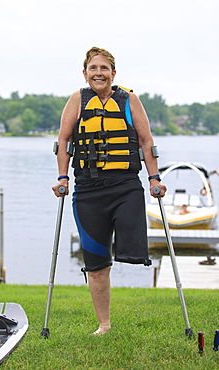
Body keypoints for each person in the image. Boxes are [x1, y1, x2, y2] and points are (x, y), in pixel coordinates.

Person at [52, 47, 167, 335]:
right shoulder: (77, 100)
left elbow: (145, 141)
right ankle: (104, 325)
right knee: (96, 263)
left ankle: (132, 263)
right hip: (88, 191)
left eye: (104, 68)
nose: (98, 73)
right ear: (85, 73)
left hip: (125, 187)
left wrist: (154, 179)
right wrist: (62, 177)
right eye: (93, 68)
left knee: (131, 248)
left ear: (113, 73)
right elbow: (64, 141)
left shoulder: (129, 100)